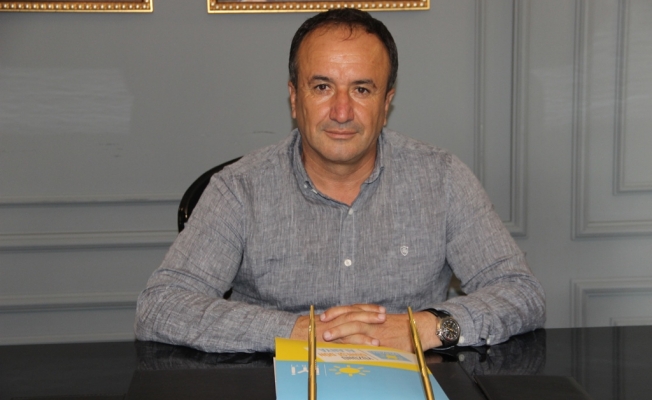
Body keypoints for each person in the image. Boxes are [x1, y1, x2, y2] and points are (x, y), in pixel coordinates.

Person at [135, 8, 545, 354]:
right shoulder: (239, 189)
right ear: (294, 98)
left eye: (362, 89)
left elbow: (520, 292)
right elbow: (161, 306)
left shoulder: (442, 178)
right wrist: (299, 332)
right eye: (322, 87)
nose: (342, 112)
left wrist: (425, 327)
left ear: (386, 103)